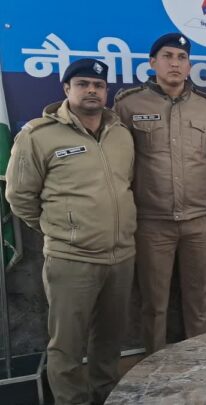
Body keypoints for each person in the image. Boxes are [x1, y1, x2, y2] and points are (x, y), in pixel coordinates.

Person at [5, 58, 136, 404]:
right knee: (67, 345)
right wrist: (64, 229)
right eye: (82, 84)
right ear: (66, 89)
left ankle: (107, 395)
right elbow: (19, 197)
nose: (92, 90)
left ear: (106, 91)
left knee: (110, 339)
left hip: (121, 256)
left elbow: (126, 184)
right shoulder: (38, 136)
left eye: (98, 85)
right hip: (71, 259)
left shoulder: (121, 133)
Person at [113, 33, 206, 354]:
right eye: (167, 56)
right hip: (151, 223)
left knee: (199, 304)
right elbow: (118, 164)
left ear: (189, 65)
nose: (175, 63)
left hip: (200, 222)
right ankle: (154, 369)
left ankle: (198, 364)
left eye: (182, 58)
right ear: (152, 62)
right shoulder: (128, 105)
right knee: (154, 306)